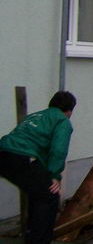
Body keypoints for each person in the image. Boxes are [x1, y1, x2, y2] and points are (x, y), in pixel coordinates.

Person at [0, 91, 76, 244]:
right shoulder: (62, 120)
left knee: (37, 191)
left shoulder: (35, 116)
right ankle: (38, 240)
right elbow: (58, 149)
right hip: (22, 157)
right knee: (49, 196)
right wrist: (54, 175)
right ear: (69, 110)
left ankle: (30, 233)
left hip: (3, 153)